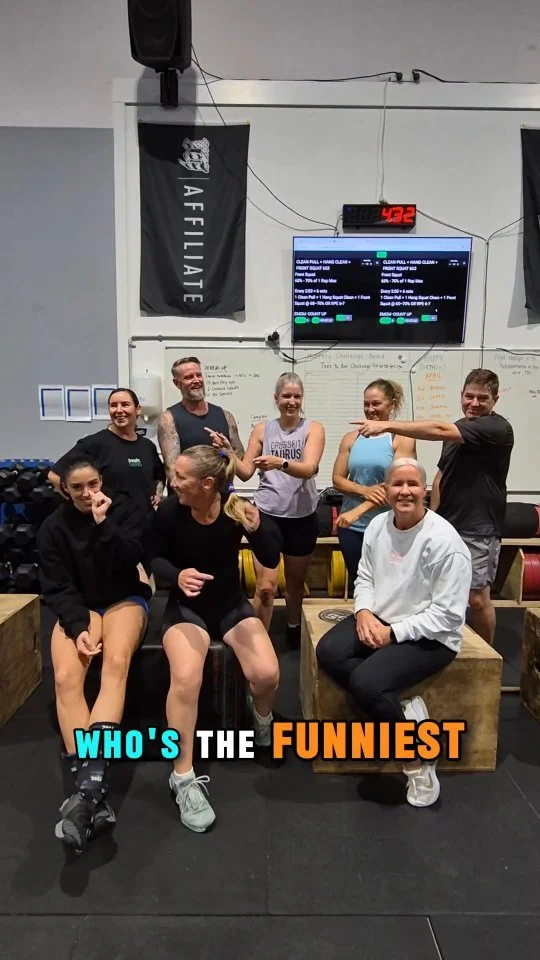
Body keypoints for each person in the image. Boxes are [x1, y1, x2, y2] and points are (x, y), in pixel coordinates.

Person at [316, 458, 472, 808]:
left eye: (412, 484)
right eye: (397, 484)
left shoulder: (445, 542)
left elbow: (448, 616)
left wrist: (394, 633)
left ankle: (417, 760)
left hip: (432, 637)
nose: (404, 491)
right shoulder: (377, 526)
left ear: (424, 490)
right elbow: (365, 577)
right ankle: (400, 711)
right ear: (385, 489)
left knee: (365, 684)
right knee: (328, 652)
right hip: (381, 619)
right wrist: (363, 612)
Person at [151, 445, 281, 834]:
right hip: (186, 608)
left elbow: (270, 556)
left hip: (229, 605)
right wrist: (176, 576)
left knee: (267, 675)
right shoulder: (169, 512)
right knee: (187, 678)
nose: (173, 482)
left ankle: (262, 720)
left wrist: (258, 530)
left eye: (181, 477)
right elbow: (153, 558)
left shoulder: (235, 509)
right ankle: (182, 777)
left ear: (207, 484)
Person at [37, 456, 151, 852]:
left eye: (93, 484)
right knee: (66, 677)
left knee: (116, 663)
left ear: (101, 480)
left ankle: (83, 791)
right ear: (64, 490)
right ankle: (90, 791)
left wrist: (105, 525)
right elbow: (57, 587)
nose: (87, 494)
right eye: (77, 488)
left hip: (124, 597)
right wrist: (77, 626)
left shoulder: (124, 510)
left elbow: (132, 559)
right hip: (81, 605)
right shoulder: (52, 528)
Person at [353, 369, 513, 645]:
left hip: (478, 526)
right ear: (461, 395)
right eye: (469, 396)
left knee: (476, 598)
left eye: (482, 398)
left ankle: (487, 656)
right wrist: (433, 517)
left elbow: (439, 429)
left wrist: (387, 426)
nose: (474, 403)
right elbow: (440, 477)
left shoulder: (496, 428)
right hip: (448, 522)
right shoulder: (459, 428)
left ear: (495, 400)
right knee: (432, 593)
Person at [206, 372, 325, 644]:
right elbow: (245, 472)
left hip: (302, 517)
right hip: (268, 515)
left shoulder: (313, 428)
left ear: (302, 399)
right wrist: (229, 452)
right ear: (276, 398)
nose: (291, 401)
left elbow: (309, 469)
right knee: (267, 587)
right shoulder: (262, 430)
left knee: (295, 584)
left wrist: (280, 463)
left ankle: (293, 630)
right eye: (286, 396)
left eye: (297, 396)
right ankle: (259, 641)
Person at [48, 388, 166, 572]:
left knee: (142, 585)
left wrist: (157, 493)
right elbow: (54, 475)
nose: (119, 410)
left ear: (138, 409)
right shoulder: (94, 443)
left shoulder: (147, 446)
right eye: (113, 405)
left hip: (144, 533)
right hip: (111, 533)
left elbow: (159, 476)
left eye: (125, 405)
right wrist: (81, 503)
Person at [332, 379, 415, 589]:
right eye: (366, 404)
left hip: (388, 528)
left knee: (388, 587)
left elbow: (398, 485)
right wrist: (364, 491)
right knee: (360, 585)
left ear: (392, 404)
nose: (370, 409)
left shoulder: (402, 439)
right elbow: (338, 479)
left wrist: (360, 509)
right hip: (351, 527)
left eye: (376, 404)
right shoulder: (351, 438)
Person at [157, 356, 245, 483]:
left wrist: (227, 451)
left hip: (222, 494)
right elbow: (173, 471)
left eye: (199, 375)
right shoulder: (168, 419)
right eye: (189, 377)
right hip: (188, 495)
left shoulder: (226, 416)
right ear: (177, 383)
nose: (196, 380)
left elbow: (242, 468)